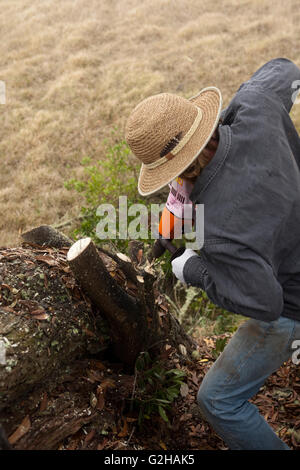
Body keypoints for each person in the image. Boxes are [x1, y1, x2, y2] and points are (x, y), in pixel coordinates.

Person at [125, 58, 300, 450]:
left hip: (292, 302)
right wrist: (233, 114)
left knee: (217, 400)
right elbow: (287, 71)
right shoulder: (255, 106)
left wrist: (196, 270)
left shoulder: (217, 230)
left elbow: (266, 301)